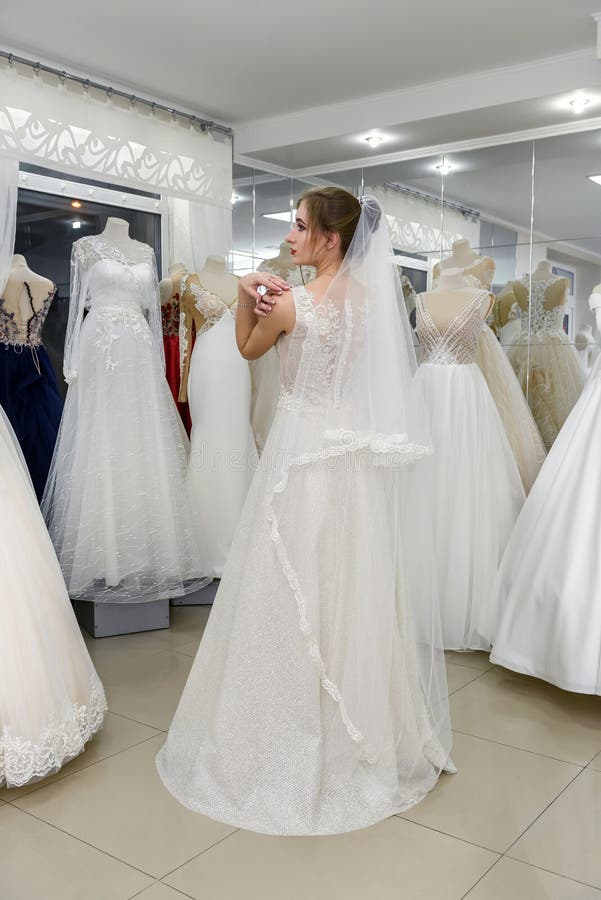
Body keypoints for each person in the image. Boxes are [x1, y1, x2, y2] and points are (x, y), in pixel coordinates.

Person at [156, 187, 453, 835]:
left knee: (285, 578)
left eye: (298, 226)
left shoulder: (292, 303)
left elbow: (246, 349)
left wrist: (245, 297)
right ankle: (369, 723)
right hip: (350, 454)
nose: (289, 236)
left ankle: (287, 723)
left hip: (300, 451)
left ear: (329, 238)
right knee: (350, 584)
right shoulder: (374, 303)